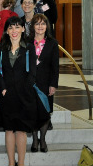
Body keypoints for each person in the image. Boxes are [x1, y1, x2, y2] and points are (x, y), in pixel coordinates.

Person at [0, 16, 37, 166]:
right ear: (6, 30)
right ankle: (11, 163)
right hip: (7, 95)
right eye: (11, 27)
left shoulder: (29, 47)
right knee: (9, 129)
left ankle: (21, 163)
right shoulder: (0, 48)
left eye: (17, 27)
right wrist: (3, 88)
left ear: (23, 29)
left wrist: (25, 89)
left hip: (24, 95)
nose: (14, 30)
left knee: (21, 130)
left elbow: (32, 72)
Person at [29, 14, 59, 153]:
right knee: (33, 112)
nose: (40, 26)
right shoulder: (27, 42)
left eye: (43, 23)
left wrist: (53, 84)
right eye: (37, 24)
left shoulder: (52, 43)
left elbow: (55, 66)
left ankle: (43, 139)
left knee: (45, 112)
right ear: (33, 26)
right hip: (30, 83)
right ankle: (35, 139)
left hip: (46, 83)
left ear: (47, 26)